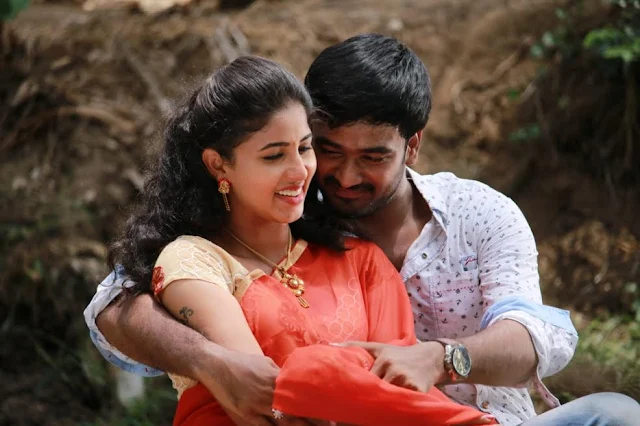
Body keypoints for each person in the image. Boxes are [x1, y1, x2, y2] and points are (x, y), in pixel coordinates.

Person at [85, 35, 640, 425]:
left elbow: (537, 335)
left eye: (373, 156)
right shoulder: (249, 228)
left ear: (412, 145)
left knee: (615, 415)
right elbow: (115, 306)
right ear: (219, 165)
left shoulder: (476, 216)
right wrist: (212, 362)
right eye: (326, 149)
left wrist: (440, 358)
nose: (342, 176)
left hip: (475, 419)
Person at [99, 55, 495, 426]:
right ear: (219, 165)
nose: (299, 171)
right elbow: (261, 389)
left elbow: (401, 385)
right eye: (274, 156)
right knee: (308, 369)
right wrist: (334, 372)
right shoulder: (194, 259)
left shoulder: (361, 260)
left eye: (305, 148)